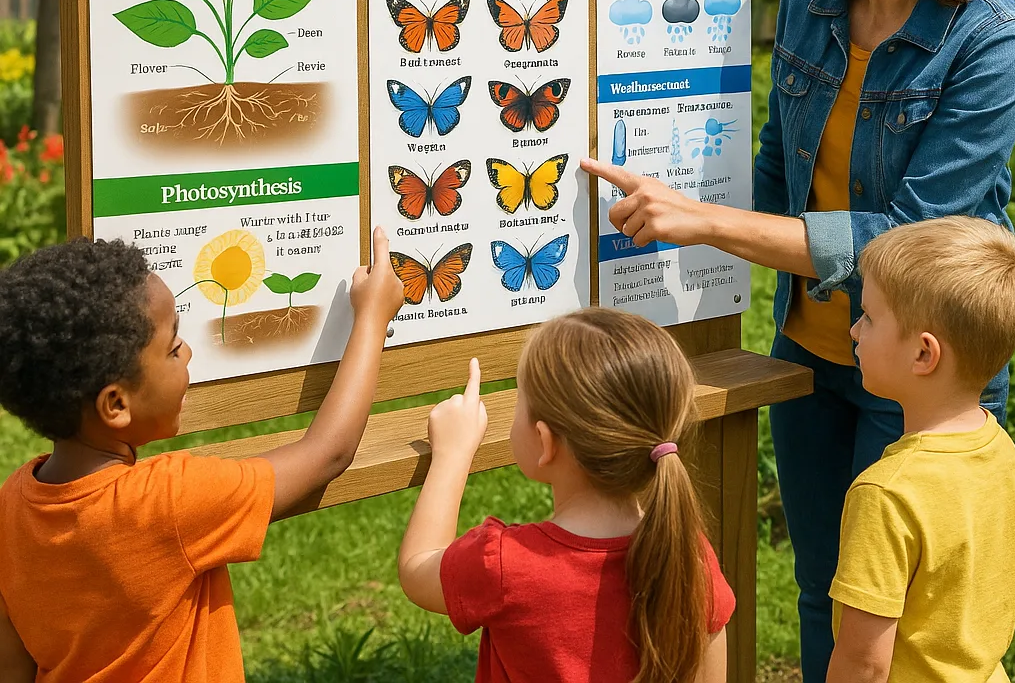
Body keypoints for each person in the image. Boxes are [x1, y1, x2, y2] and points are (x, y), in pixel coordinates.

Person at [583, 0, 1015, 681]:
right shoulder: (808, 0)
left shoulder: (992, 38)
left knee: (912, 623)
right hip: (814, 348)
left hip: (929, 367)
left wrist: (701, 221)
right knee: (827, 588)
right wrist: (674, 195)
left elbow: (907, 242)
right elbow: (781, 167)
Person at [0, 227, 404, 682]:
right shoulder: (167, 501)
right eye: (173, 348)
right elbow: (328, 453)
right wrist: (372, 318)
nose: (188, 350)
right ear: (115, 405)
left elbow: (13, 664)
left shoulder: (11, 504)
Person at [397, 307, 735, 683]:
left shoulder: (505, 566)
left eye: (519, 402)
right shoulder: (688, 557)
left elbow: (417, 569)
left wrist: (452, 454)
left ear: (545, 442)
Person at [827, 216, 1015, 682]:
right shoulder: (1000, 448)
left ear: (923, 354)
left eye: (870, 317)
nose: (855, 330)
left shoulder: (885, 494)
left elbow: (864, 664)